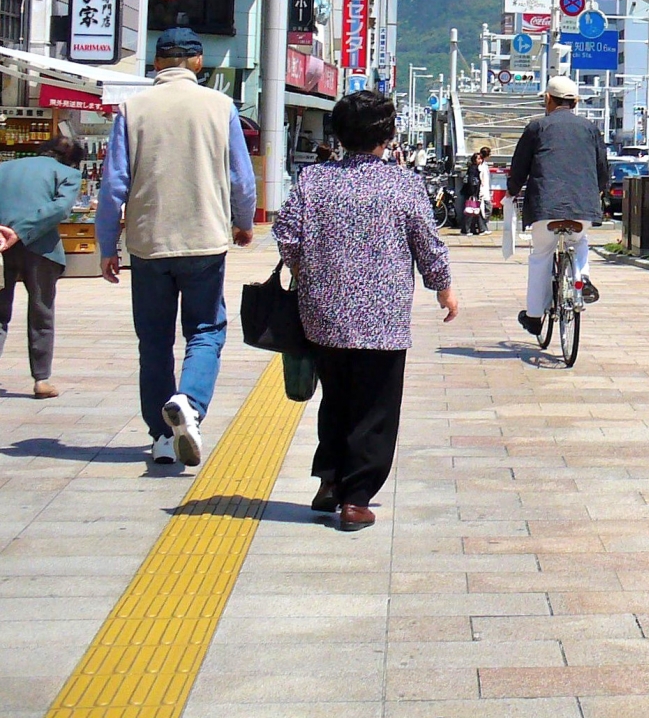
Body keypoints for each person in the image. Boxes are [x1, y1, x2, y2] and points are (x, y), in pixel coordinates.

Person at [274, 89, 456, 532]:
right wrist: (443, 287)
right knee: (374, 406)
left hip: (323, 312)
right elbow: (425, 242)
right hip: (383, 317)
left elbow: (286, 234)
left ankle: (329, 480)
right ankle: (356, 498)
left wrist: (311, 270)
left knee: (336, 397)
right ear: (387, 135)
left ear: (339, 133)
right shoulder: (403, 184)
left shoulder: (313, 180)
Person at [96, 27, 256, 467]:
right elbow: (242, 180)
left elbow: (113, 186)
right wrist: (243, 223)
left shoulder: (132, 109)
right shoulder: (221, 107)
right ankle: (190, 404)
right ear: (198, 63)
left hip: (149, 242)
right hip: (205, 237)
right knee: (205, 330)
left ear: (158, 62)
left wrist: (107, 245)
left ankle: (161, 437)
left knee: (154, 339)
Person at [509, 76, 610, 336]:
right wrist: (601, 192)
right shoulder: (590, 128)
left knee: (541, 256)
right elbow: (602, 169)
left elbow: (519, 168)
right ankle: (582, 277)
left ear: (547, 99)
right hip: (583, 206)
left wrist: (511, 191)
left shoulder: (536, 127)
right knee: (580, 241)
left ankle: (533, 317)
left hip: (546, 206)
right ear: (575, 102)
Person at [0, 136, 86, 398]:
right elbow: (60, 208)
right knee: (41, 312)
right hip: (41, 248)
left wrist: (6, 232)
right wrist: (22, 231)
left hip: (1, 245)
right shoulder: (68, 173)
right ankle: (41, 380)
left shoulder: (4, 168)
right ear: (72, 159)